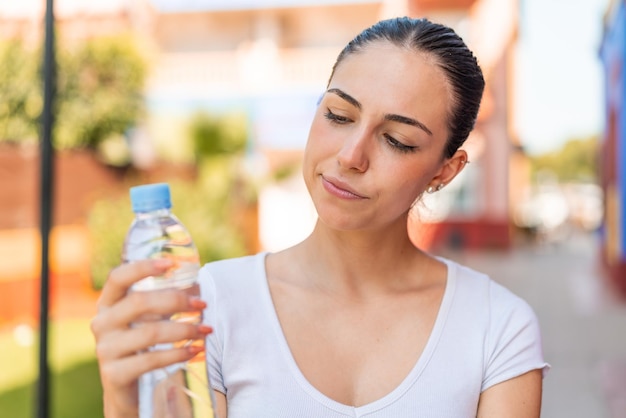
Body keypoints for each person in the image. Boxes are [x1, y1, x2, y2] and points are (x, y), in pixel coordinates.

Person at [91, 16, 549, 417]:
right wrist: (125, 407)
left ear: (445, 170)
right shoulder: (212, 305)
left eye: (398, 140)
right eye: (338, 114)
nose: (351, 155)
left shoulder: (498, 328)